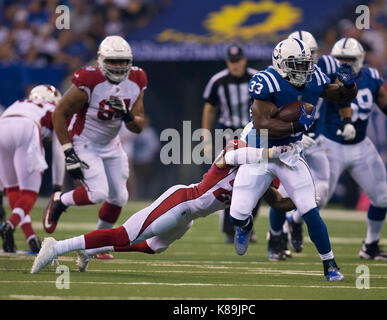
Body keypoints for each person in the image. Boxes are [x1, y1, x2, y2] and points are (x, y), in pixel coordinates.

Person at [31, 140, 295, 274]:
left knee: (152, 246)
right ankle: (57, 246)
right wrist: (271, 152)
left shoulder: (264, 175)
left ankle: (91, 250)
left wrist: (306, 201)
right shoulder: (240, 151)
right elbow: (228, 157)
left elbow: (279, 202)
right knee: (126, 234)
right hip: (183, 201)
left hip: (191, 216)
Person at [229, 38, 358, 281]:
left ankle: (330, 265)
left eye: (305, 64)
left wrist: (349, 85)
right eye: (296, 65)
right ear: (280, 63)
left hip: (289, 152)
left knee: (310, 209)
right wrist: (297, 125)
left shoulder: (314, 76)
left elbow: (341, 96)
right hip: (260, 151)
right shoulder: (266, 81)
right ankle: (244, 227)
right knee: (237, 213)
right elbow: (263, 125)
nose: (303, 70)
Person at [42, 35, 146, 260]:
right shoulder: (89, 80)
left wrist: (127, 116)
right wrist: (69, 152)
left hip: (111, 143)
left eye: (123, 61)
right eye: (113, 61)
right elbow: (59, 113)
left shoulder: (137, 79)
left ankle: (97, 244)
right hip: (84, 142)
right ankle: (60, 200)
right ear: (101, 61)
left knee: (119, 197)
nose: (118, 67)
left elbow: (138, 126)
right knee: (98, 193)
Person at [321, 37, 387, 260]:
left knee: (381, 197)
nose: (343, 63)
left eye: (348, 59)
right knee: (319, 199)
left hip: (361, 146)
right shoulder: (326, 79)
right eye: (339, 59)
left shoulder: (370, 77)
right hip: (331, 145)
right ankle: (291, 226)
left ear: (360, 59)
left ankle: (370, 246)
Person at [283, 31, 356, 254]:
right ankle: (275, 241)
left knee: (321, 193)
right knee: (283, 193)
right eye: (303, 55)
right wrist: (294, 131)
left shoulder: (326, 68)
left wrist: (347, 119)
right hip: (285, 141)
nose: (308, 60)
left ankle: (294, 221)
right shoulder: (279, 74)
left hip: (315, 139)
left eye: (312, 53)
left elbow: (341, 94)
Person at [201, 44, 260, 244]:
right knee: (230, 180)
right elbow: (209, 108)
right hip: (228, 134)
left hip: (253, 133)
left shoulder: (258, 78)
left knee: (258, 179)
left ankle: (246, 224)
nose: (235, 65)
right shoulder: (218, 81)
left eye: (238, 61)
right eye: (232, 62)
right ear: (228, 62)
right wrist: (206, 137)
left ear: (244, 60)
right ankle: (230, 229)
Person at [0, 85, 64, 253]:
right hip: (28, 127)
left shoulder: (19, 103)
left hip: (3, 124)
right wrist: (57, 185)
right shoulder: (54, 109)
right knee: (29, 193)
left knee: (12, 189)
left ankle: (29, 236)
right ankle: (9, 225)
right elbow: (59, 151)